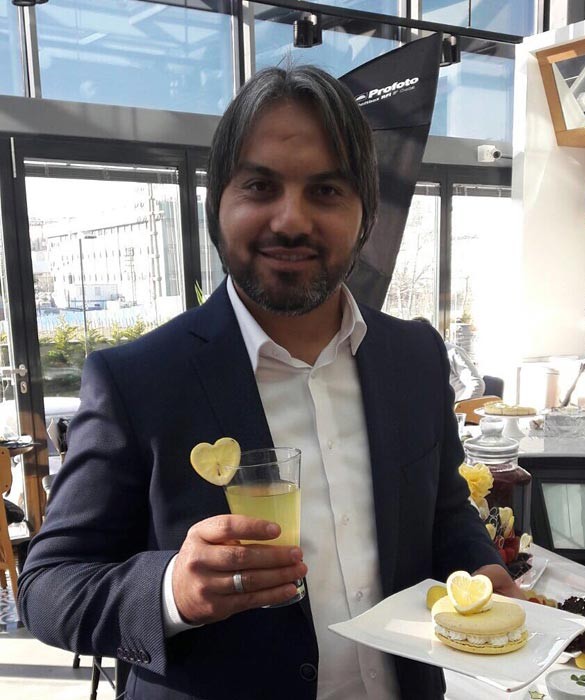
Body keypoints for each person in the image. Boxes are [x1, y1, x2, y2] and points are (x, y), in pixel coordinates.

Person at [19, 65, 522, 700]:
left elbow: (444, 512)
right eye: (260, 186)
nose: (291, 220)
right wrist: (172, 590)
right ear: (217, 205)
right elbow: (49, 586)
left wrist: (479, 567)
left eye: (326, 190)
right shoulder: (138, 379)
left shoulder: (415, 357)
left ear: (366, 214)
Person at [413, 318, 485, 401]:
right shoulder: (418, 356)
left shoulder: (451, 351)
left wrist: (457, 406)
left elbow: (477, 385)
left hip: (457, 405)